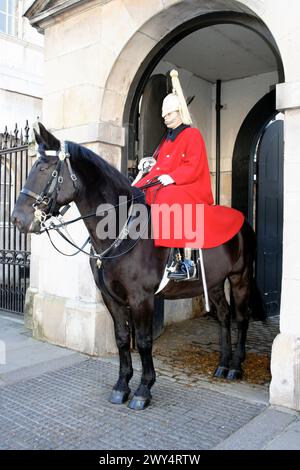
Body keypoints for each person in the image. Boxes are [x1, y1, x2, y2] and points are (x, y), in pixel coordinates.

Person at [133, 69, 214, 280]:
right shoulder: (167, 140)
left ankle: (179, 260)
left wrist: (174, 177)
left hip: (192, 187)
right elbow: (161, 166)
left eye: (169, 114)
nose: (165, 118)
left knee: (166, 196)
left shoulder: (192, 135)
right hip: (168, 183)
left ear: (180, 113)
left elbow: (194, 166)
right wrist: (147, 171)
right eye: (163, 115)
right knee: (135, 192)